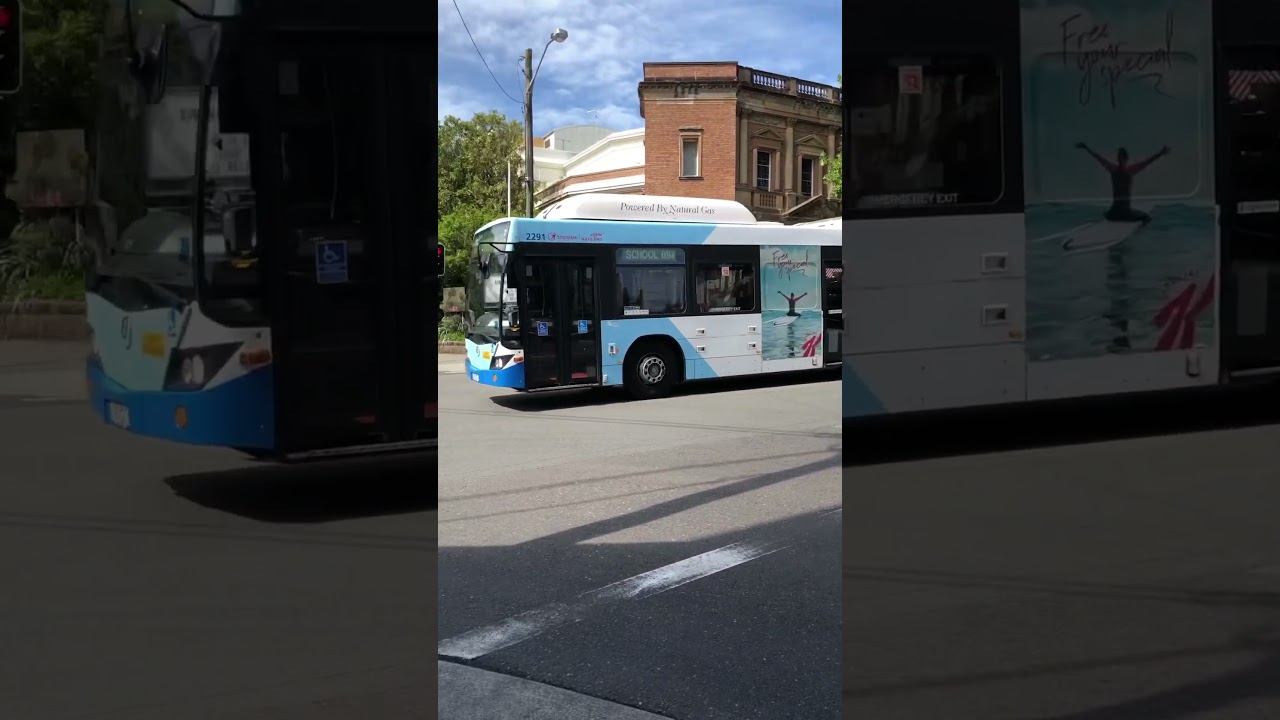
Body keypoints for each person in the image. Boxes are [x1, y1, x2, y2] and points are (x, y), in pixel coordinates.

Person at [1074, 142, 1170, 224]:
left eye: (1121, 159)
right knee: (1147, 217)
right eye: (1120, 159)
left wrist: (1086, 148)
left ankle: (1108, 219)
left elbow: (1148, 161)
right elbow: (1098, 158)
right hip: (1124, 213)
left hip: (1113, 213)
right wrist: (1161, 153)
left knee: (1105, 213)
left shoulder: (1113, 169)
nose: (1120, 161)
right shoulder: (1129, 170)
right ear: (1125, 159)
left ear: (1124, 159)